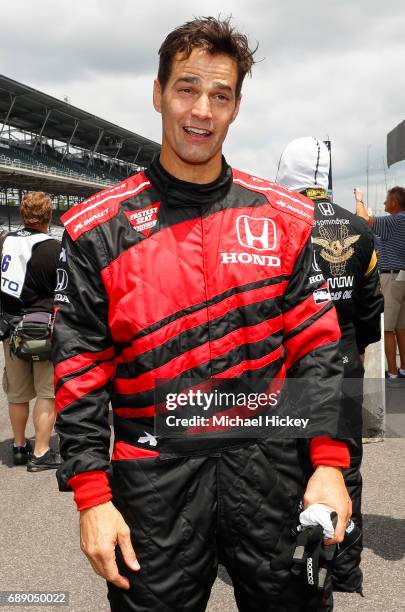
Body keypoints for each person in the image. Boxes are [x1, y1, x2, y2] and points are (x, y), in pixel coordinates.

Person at [53, 17, 351, 612]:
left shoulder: (288, 219)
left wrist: (330, 465)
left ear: (237, 107)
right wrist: (91, 496)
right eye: (187, 88)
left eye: (220, 95)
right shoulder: (96, 229)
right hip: (152, 484)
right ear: (158, 92)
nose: (202, 110)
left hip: (272, 475)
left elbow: (319, 350)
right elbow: (80, 369)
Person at [277, 137, 383, 603]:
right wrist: (354, 350)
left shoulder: (277, 221)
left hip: (291, 365)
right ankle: (345, 568)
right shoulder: (359, 228)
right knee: (346, 468)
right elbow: (371, 308)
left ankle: (292, 562)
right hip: (344, 360)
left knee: (288, 464)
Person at [0, 191, 61, 471]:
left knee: (17, 394)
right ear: (49, 216)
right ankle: (41, 452)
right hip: (44, 331)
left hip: (12, 330)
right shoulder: (55, 248)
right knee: (47, 393)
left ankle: (19, 447)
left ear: (23, 214)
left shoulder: (5, 243)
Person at [355, 186, 405, 379]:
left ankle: (392, 371)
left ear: (394, 202)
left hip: (391, 277)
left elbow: (364, 221)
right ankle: (402, 368)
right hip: (401, 277)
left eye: (386, 199)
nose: (384, 203)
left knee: (388, 327)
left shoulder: (395, 221)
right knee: (401, 326)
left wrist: (359, 199)